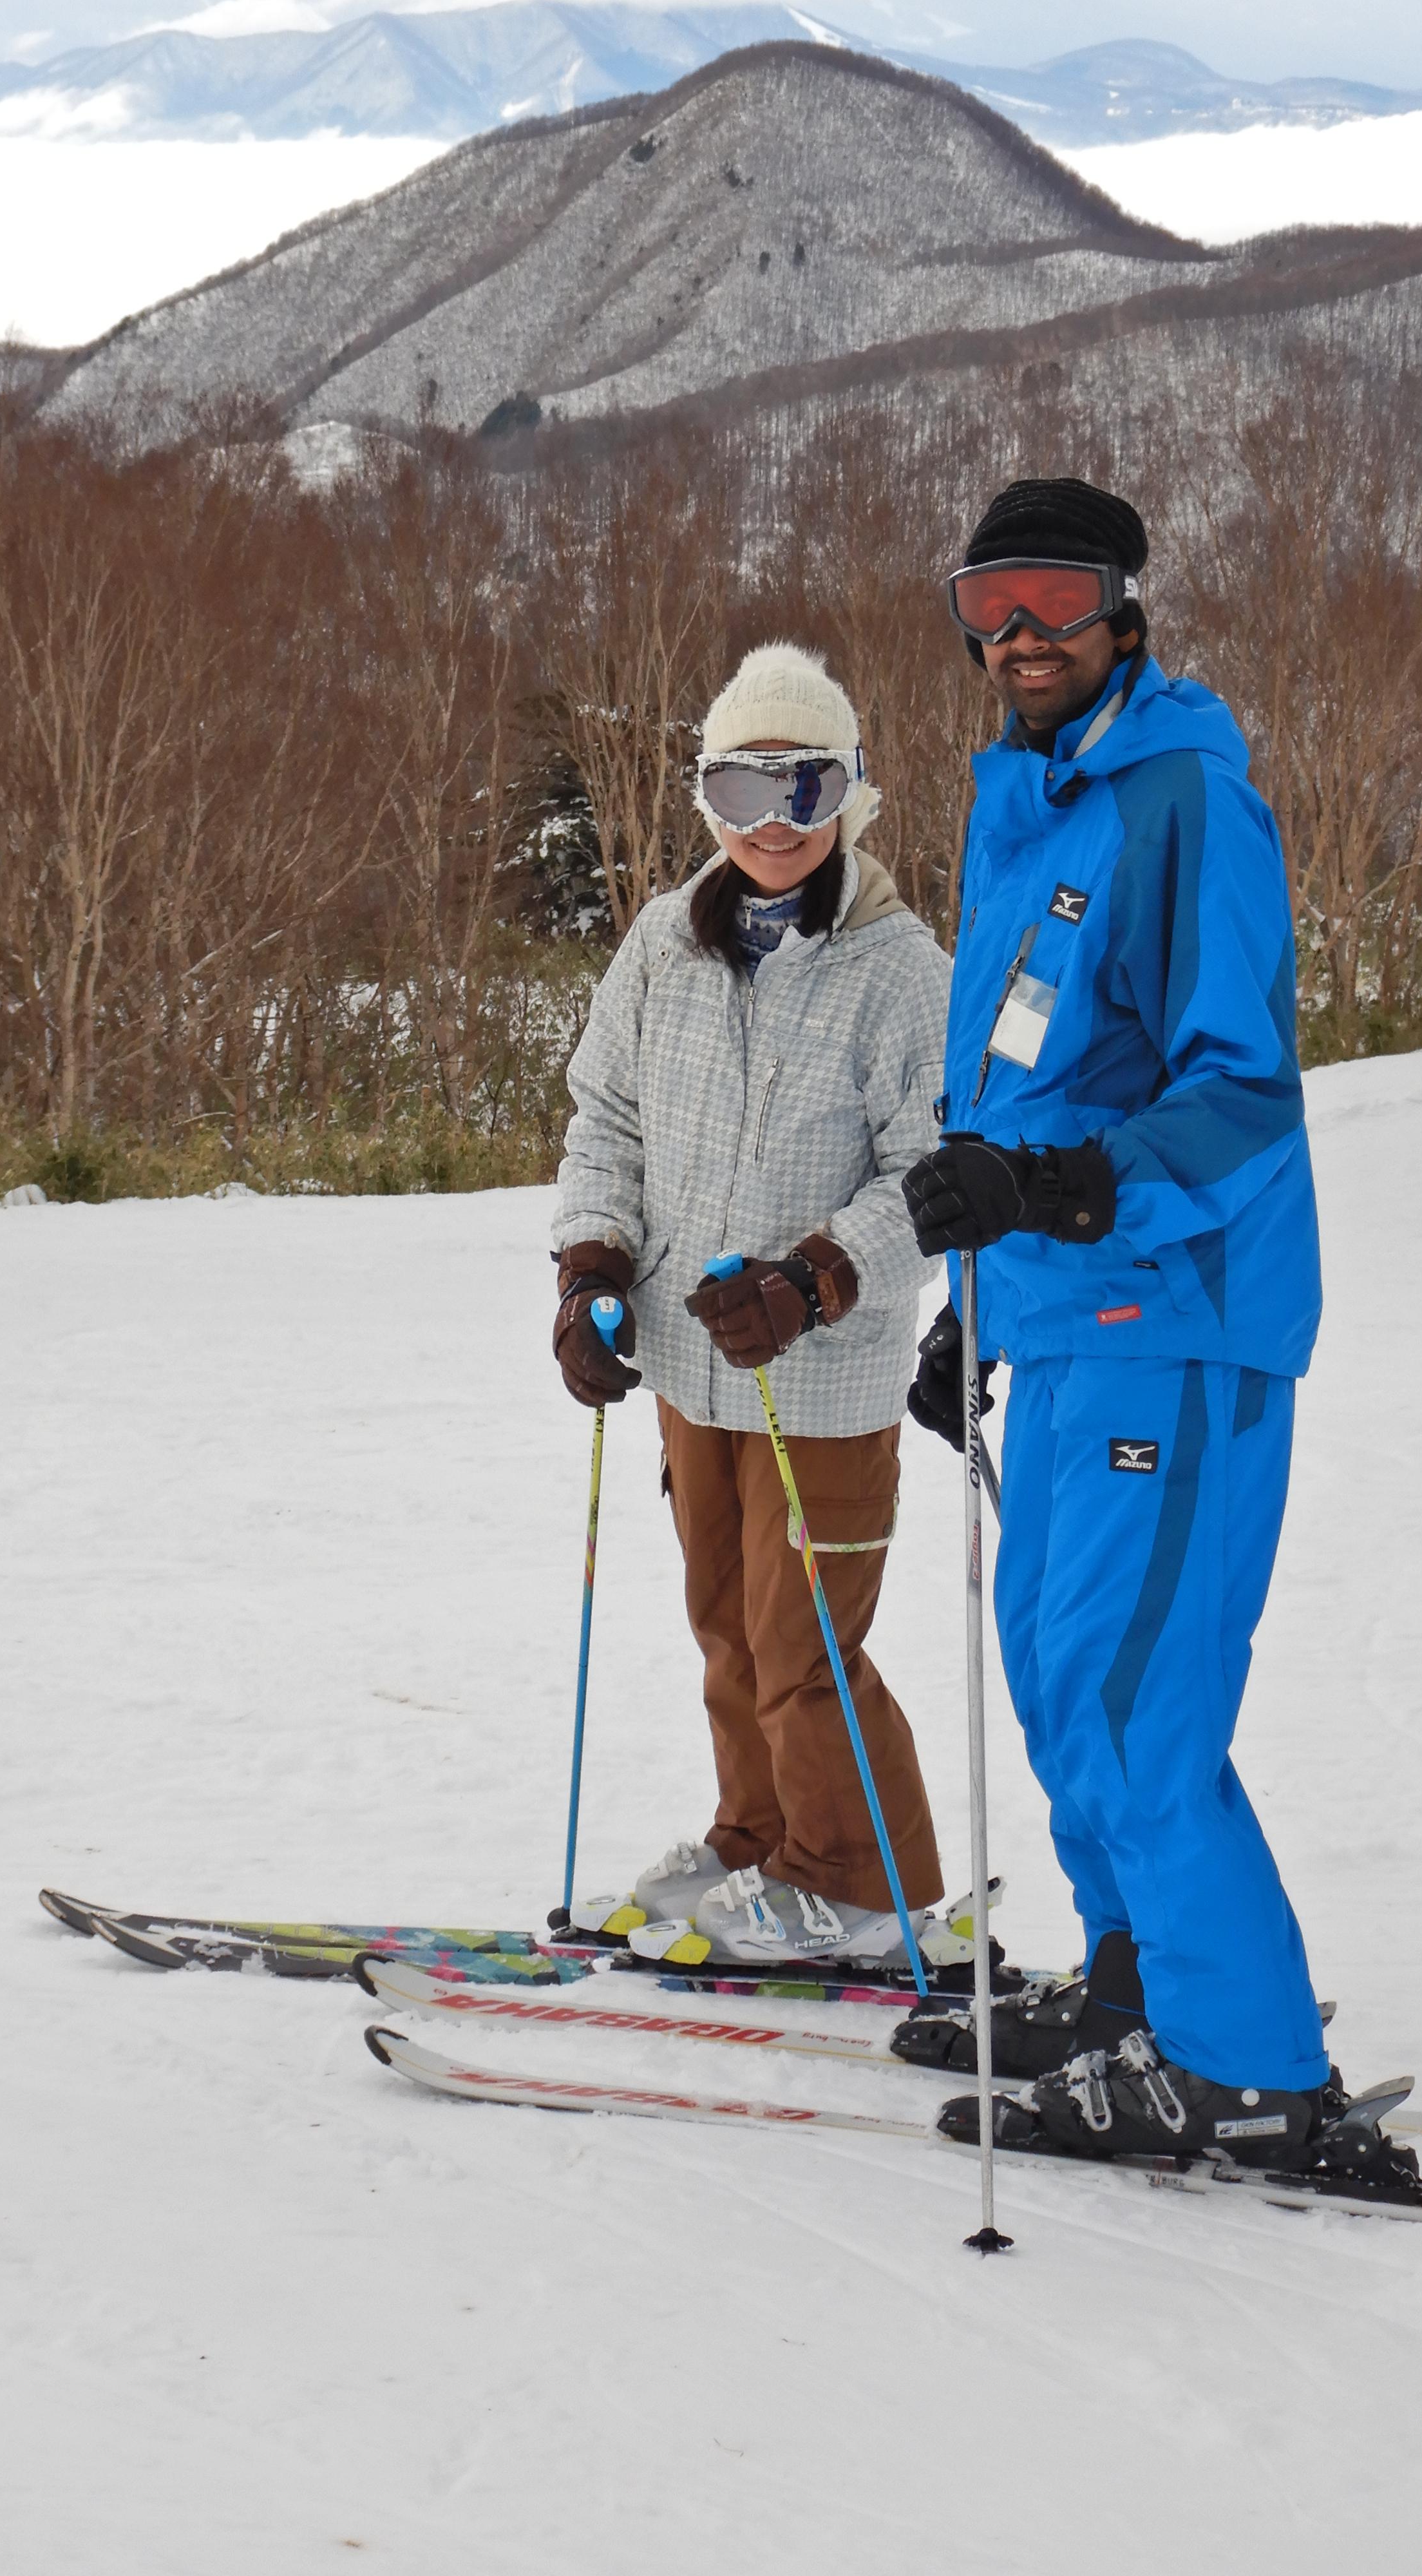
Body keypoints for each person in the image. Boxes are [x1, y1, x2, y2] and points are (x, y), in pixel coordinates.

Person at [900, 476, 1354, 2179]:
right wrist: (986, 1305)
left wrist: (1064, 1202)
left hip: (1179, 1310)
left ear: (1123, 608)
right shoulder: (1031, 802)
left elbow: (1238, 1099)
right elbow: (1031, 1083)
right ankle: (1129, 1992)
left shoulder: (1180, 800)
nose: (1016, 635)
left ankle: (1244, 2069)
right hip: (1074, 1314)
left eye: (1049, 596)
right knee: (1056, 1678)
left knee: (1133, 1696)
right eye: (984, 600)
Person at [551, 642, 953, 1969]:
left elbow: (936, 1178)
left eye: (805, 789)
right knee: (726, 1624)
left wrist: (816, 1279)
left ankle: (857, 1885)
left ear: (853, 800)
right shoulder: (666, 941)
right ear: (704, 800)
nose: (772, 826)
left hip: (821, 1379)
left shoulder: (901, 970)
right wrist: (593, 1267)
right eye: (740, 790)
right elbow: (606, 1115)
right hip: (686, 1361)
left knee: (806, 1643)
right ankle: (759, 1836)